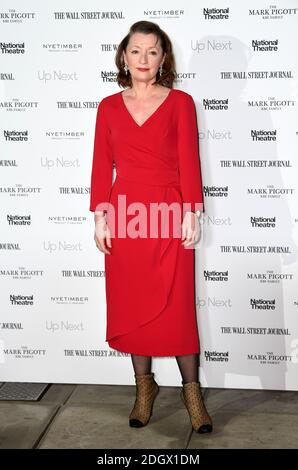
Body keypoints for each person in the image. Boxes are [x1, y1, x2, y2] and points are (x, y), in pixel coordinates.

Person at [89, 20, 212, 434]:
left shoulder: (180, 102)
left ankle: (191, 393)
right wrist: (100, 216)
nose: (143, 59)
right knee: (133, 305)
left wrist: (192, 211)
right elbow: (100, 164)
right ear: (124, 56)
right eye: (136, 51)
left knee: (177, 308)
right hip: (125, 218)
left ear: (164, 58)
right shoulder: (107, 106)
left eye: (153, 51)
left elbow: (189, 161)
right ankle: (144, 390)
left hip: (168, 215)